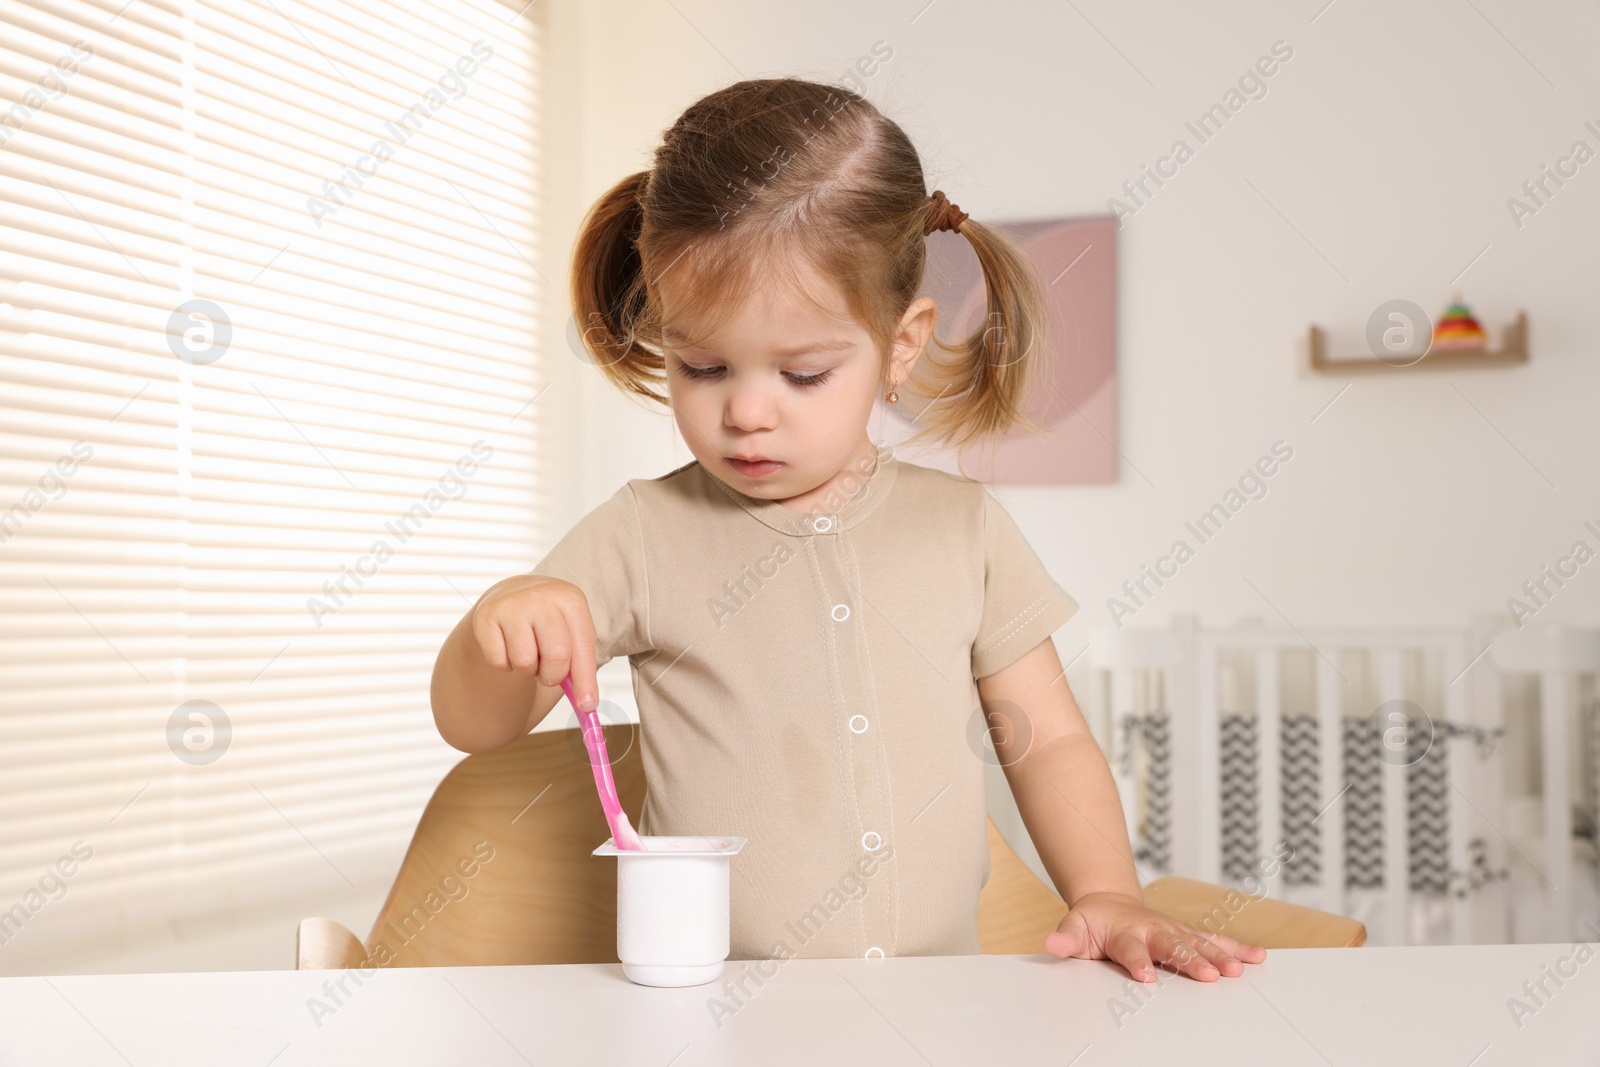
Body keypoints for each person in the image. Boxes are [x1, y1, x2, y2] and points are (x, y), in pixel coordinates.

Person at [430, 77, 1265, 984]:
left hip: (942, 1007)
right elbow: (476, 724)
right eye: (702, 365)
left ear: (900, 345)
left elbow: (1050, 739)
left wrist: (1107, 889)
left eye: (802, 374)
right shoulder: (641, 533)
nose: (746, 411)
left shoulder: (963, 527)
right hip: (721, 1011)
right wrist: (500, 623)